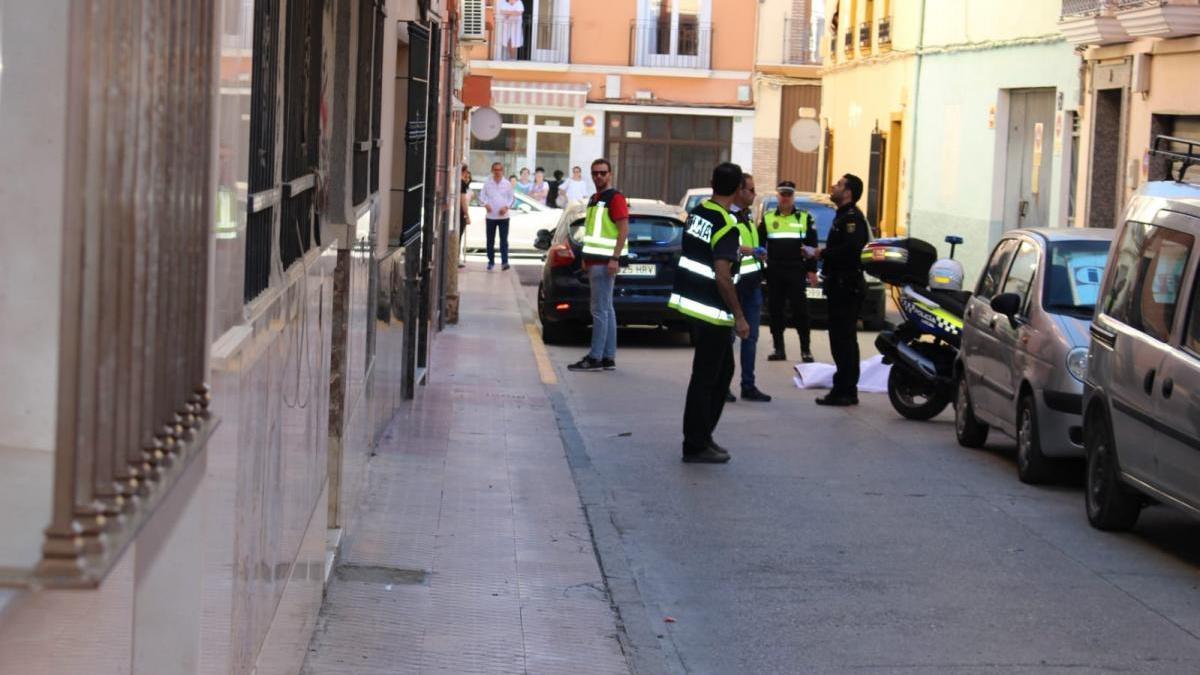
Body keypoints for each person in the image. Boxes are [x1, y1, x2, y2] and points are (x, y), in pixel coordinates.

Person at [669, 162, 749, 464]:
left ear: (711, 182)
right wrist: (739, 316)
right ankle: (695, 443)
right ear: (739, 188)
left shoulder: (700, 213)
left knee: (721, 372)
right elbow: (723, 276)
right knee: (707, 378)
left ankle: (703, 436)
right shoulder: (727, 224)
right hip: (712, 310)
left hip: (692, 302)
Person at [568, 159, 629, 373]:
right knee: (607, 309)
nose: (599, 177)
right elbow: (593, 231)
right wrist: (586, 256)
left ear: (610, 174)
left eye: (603, 173)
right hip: (595, 260)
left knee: (599, 310)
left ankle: (595, 358)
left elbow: (623, 230)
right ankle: (607, 357)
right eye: (595, 173)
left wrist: (615, 258)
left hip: (605, 263)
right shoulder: (595, 199)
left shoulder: (615, 198)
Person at [816, 174, 870, 406]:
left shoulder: (852, 219)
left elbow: (851, 250)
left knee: (844, 340)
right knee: (841, 340)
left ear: (847, 192)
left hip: (845, 287)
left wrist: (822, 253)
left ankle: (845, 390)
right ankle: (845, 388)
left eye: (838, 184)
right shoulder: (842, 217)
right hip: (839, 285)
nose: (833, 186)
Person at [762, 180, 820, 363]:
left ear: (793, 196)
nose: (785, 197)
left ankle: (806, 350)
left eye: (789, 194)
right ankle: (778, 349)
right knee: (776, 311)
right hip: (775, 270)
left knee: (800, 311)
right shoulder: (768, 217)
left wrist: (811, 271)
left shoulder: (804, 217)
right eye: (782, 194)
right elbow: (759, 244)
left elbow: (812, 246)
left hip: (796, 269)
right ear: (777, 195)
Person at [726, 173, 771, 403]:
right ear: (739, 191)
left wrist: (758, 252)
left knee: (750, 337)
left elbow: (750, 244)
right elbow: (729, 245)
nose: (754, 194)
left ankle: (748, 385)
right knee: (729, 338)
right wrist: (751, 251)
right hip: (736, 285)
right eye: (751, 190)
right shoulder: (729, 216)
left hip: (752, 283)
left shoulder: (747, 215)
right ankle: (723, 386)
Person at [480, 162, 515, 271]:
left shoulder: (507, 184)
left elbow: (512, 198)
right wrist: (486, 204)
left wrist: (506, 207)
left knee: (503, 240)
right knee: (490, 240)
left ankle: (505, 262)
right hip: (491, 217)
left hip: (504, 217)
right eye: (495, 169)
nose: (497, 172)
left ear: (502, 171)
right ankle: (491, 261)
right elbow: (481, 196)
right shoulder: (487, 183)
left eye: (499, 169)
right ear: (492, 171)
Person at [459, 165, 473, 268]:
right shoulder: (461, 183)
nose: (467, 174)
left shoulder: (458, 182)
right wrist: (467, 215)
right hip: (459, 214)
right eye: (466, 172)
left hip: (456, 213)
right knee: (459, 236)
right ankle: (456, 259)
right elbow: (463, 200)